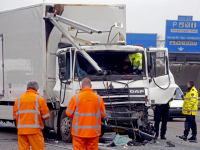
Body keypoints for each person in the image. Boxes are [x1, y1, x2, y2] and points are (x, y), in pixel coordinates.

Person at [66, 77, 106, 150]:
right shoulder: (99, 99)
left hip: (79, 133)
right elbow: (103, 114)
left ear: (82, 86)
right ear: (91, 86)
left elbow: (69, 113)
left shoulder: (76, 98)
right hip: (93, 133)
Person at [13, 81, 50, 150]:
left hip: (21, 131)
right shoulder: (39, 99)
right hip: (34, 131)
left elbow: (15, 117)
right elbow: (46, 116)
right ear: (36, 88)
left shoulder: (18, 99)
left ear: (27, 88)